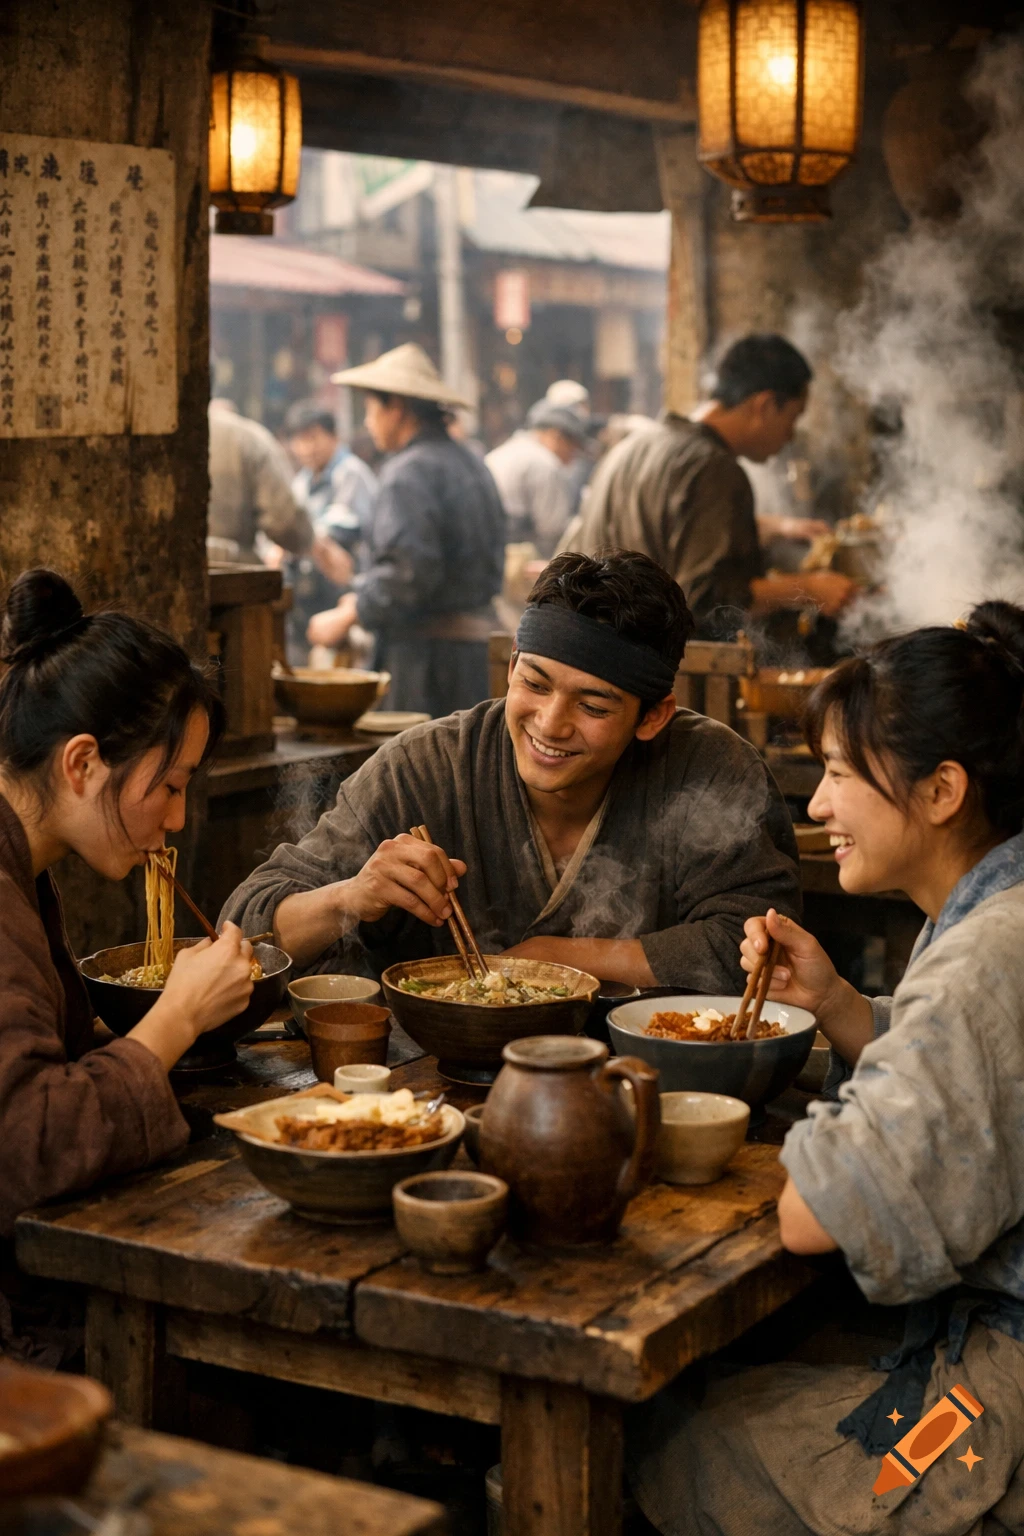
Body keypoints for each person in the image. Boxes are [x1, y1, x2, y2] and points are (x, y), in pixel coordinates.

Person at [628, 601, 1024, 1535]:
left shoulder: (986, 956)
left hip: (1003, 1385)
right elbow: (969, 1077)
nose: (816, 805)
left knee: (657, 1435)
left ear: (942, 791)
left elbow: (817, 1216)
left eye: (841, 774)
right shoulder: (995, 902)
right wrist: (840, 1005)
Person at [221, 549, 800, 990]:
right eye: (534, 683)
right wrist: (349, 896)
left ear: (652, 717)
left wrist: (550, 958)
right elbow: (246, 927)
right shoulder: (427, 766)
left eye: (593, 706)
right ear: (511, 667)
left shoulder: (710, 770)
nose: (551, 724)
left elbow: (761, 944)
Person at [0, 570, 258, 1243]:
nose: (175, 818)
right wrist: (178, 1011)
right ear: (82, 764)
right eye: (169, 785)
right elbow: (28, 1145)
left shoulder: (25, 865)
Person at [561, 334, 857, 637]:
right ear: (765, 405)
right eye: (793, 418)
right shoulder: (714, 468)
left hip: (586, 642)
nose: (790, 436)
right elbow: (703, 600)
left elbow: (670, 530)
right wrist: (808, 589)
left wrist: (774, 527)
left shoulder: (636, 444)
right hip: (642, 661)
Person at [306, 344, 506, 718]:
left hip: (428, 667)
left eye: (370, 409)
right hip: (474, 660)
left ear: (396, 407)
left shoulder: (407, 473)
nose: (367, 422)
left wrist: (349, 614)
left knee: (423, 769)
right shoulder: (471, 461)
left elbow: (408, 576)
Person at [278, 400, 380, 665]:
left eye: (313, 438)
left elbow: (336, 530)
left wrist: (295, 539)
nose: (306, 448)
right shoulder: (301, 481)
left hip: (346, 594)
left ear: (333, 436)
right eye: (298, 441)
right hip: (309, 598)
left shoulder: (351, 474)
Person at [207, 394, 313, 563]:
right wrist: (310, 540)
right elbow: (285, 523)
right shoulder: (246, 438)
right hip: (228, 575)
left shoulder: (153, 432)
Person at [486, 402, 587, 559]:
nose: (574, 454)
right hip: (517, 558)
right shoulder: (544, 463)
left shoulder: (503, 451)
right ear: (556, 436)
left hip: (491, 551)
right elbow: (553, 529)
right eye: (573, 446)